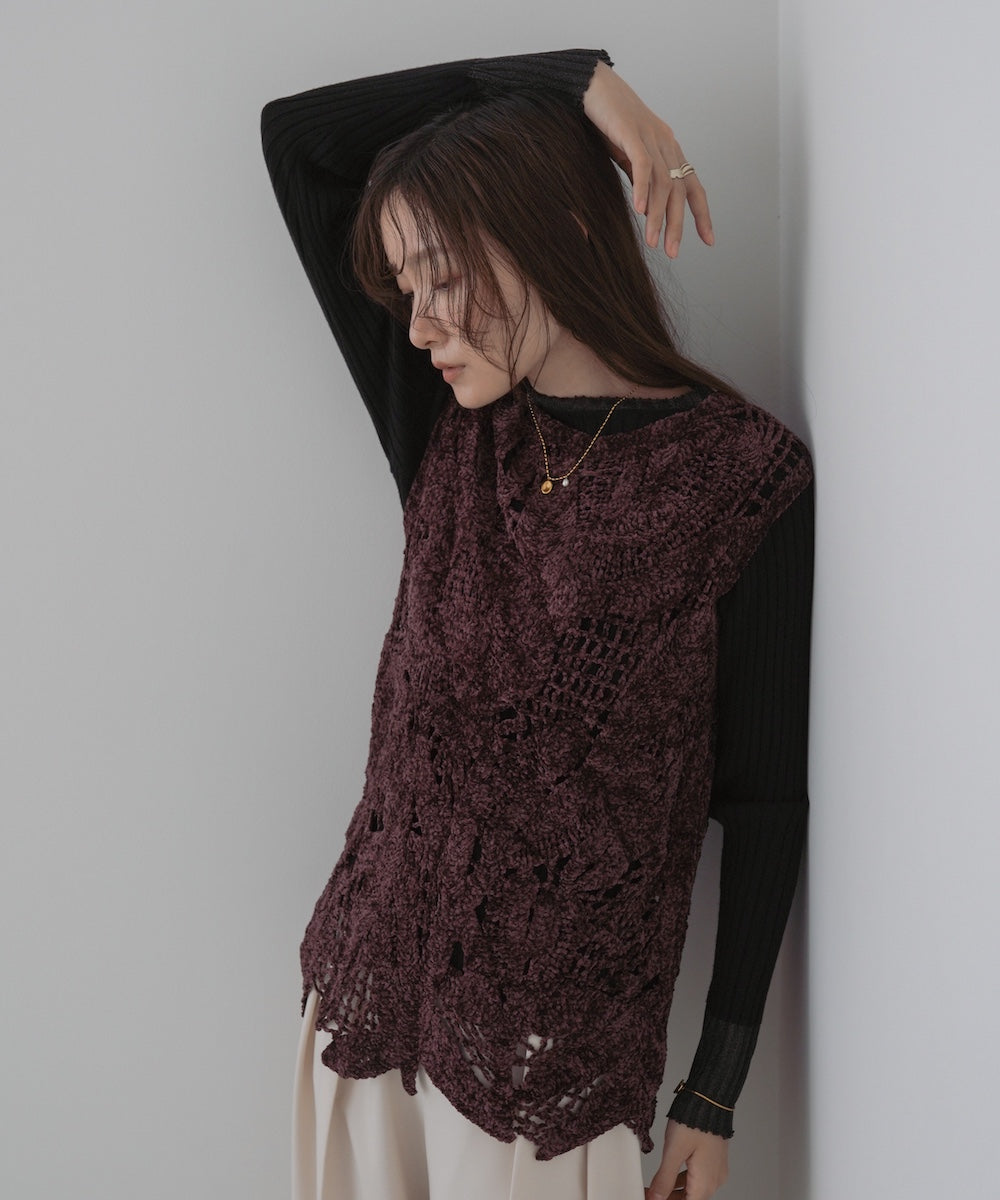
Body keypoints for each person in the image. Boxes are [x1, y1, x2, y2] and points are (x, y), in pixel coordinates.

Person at [261, 48, 814, 1200]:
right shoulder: (448, 429)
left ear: (552, 232)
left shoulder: (741, 480)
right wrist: (580, 80)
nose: (418, 326)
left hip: (550, 1077)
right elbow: (298, 138)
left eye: (439, 279)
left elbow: (762, 802)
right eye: (404, 290)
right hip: (364, 1017)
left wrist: (712, 1094)